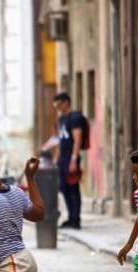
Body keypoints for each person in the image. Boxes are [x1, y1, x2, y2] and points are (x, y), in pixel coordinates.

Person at [51, 92, 84, 229]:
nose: (57, 107)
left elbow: (77, 139)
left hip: (71, 157)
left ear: (66, 103)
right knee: (63, 187)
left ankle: (75, 219)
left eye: (59, 104)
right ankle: (70, 217)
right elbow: (60, 140)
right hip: (63, 157)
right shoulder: (61, 119)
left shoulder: (74, 118)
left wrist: (74, 159)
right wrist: (56, 158)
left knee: (73, 187)